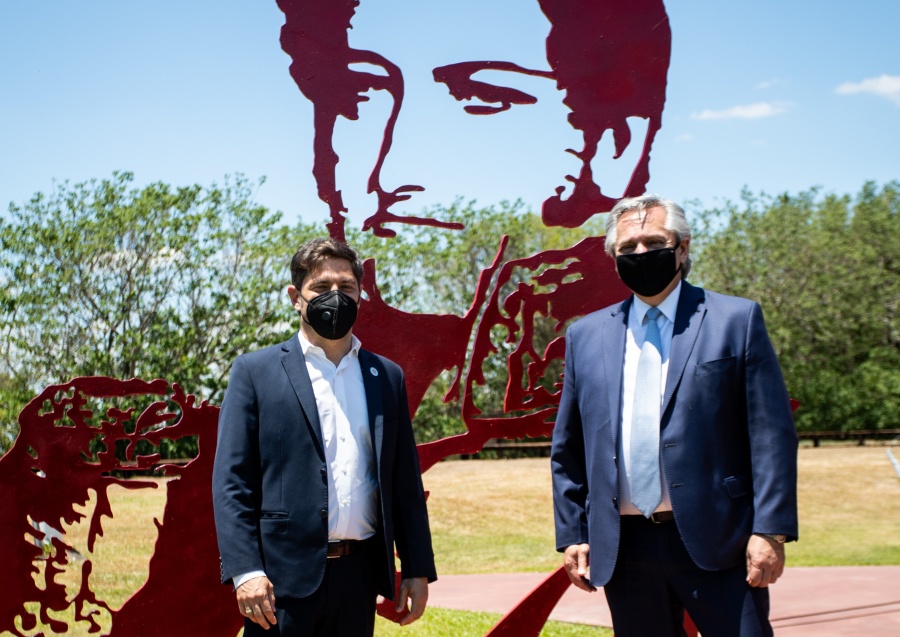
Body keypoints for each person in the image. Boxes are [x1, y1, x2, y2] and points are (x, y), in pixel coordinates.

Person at [551, 195, 799, 636]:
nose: (641, 254)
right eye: (628, 248)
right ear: (613, 259)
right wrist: (573, 533)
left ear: (683, 248)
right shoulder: (585, 336)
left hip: (720, 540)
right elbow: (568, 447)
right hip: (625, 549)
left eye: (654, 241)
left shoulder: (735, 320)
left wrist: (771, 530)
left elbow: (771, 436)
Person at [212, 237, 437, 637]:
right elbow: (232, 484)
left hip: (360, 577)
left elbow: (404, 480)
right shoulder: (255, 372)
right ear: (296, 297)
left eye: (346, 288)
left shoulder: (386, 376)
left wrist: (417, 567)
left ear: (360, 295)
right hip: (280, 584)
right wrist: (246, 570)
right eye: (321, 288)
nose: (335, 297)